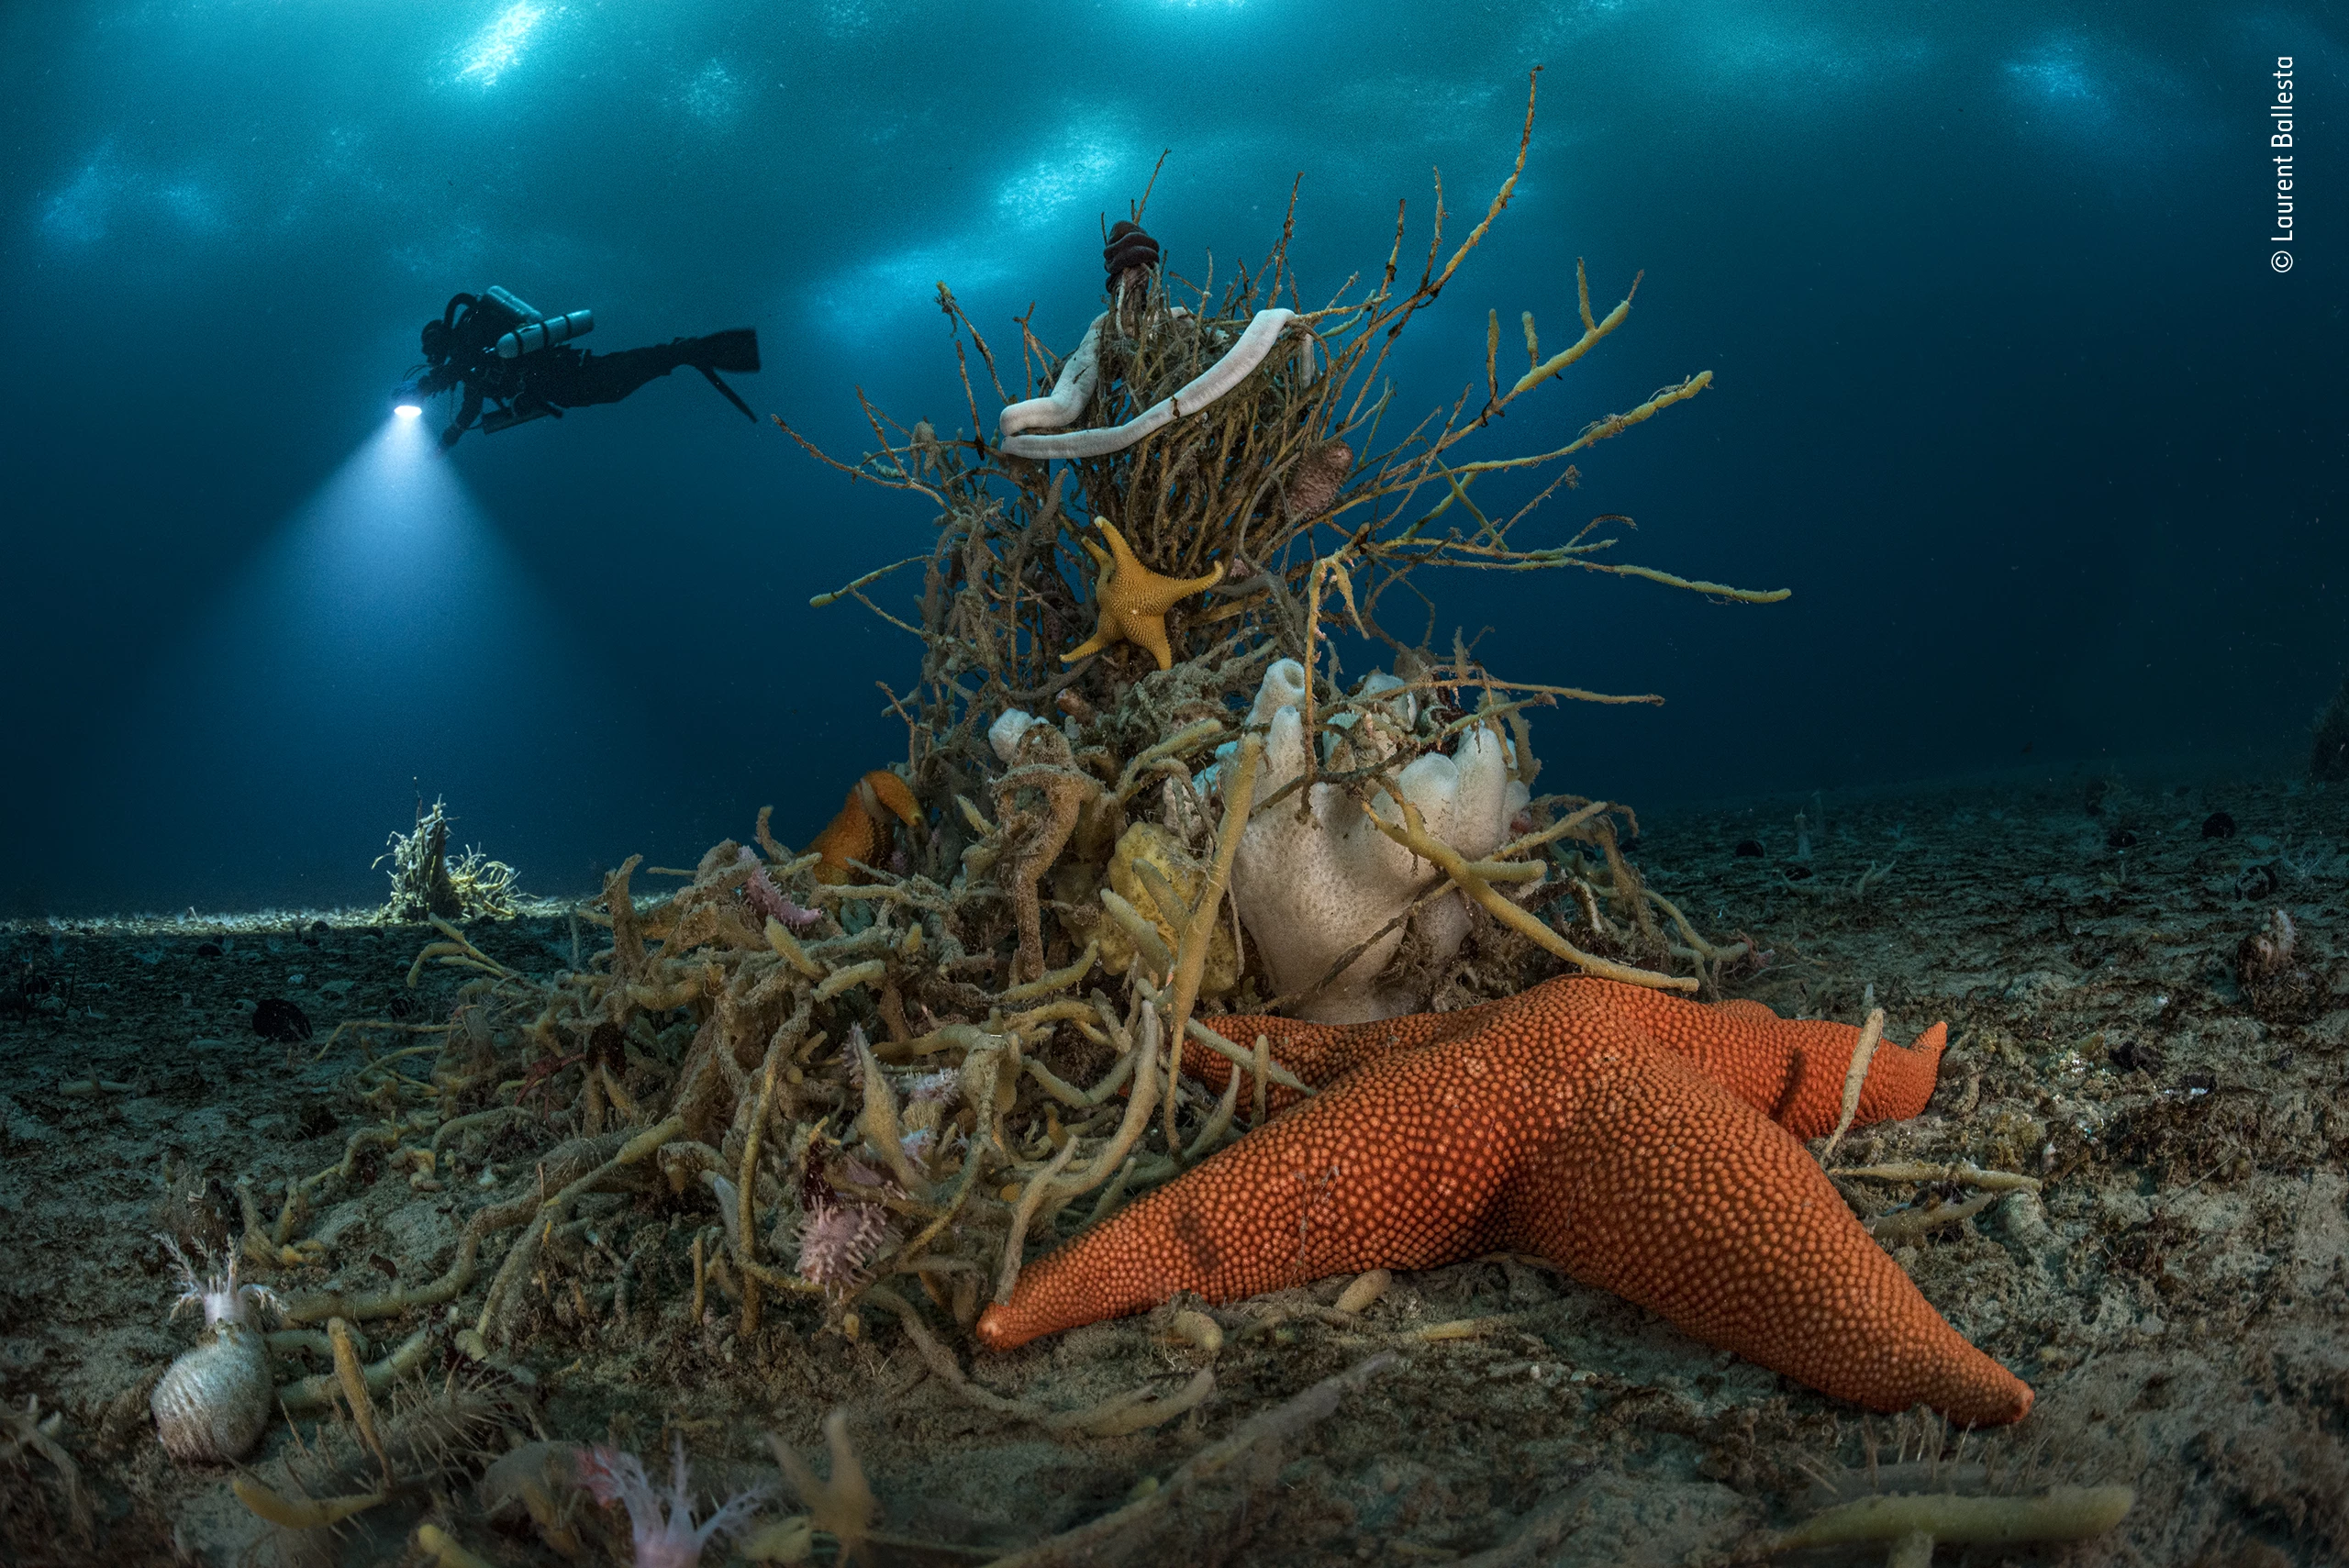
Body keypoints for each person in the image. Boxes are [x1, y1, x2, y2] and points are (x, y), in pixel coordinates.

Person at [395, 288, 760, 450]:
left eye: (431, 348)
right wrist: (451, 434)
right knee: (615, 384)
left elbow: (454, 380)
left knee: (614, 380)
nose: (431, 356)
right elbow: (470, 398)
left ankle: (691, 350)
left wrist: (425, 400)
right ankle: (688, 352)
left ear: (442, 338)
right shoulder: (471, 353)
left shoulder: (469, 341)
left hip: (558, 375)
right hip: (556, 384)